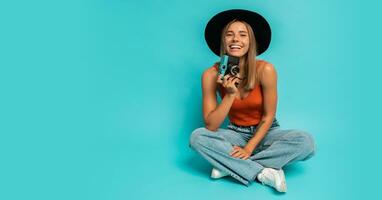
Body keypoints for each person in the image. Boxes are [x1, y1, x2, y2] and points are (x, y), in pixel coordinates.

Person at [189, 9, 316, 193]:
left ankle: (231, 167)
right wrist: (230, 95)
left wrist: (249, 149)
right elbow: (211, 125)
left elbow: (268, 115)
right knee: (197, 137)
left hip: (266, 131)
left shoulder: (265, 70)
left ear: (251, 41)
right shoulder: (210, 75)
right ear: (222, 40)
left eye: (243, 35)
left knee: (306, 142)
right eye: (229, 35)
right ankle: (264, 172)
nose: (235, 40)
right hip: (235, 133)